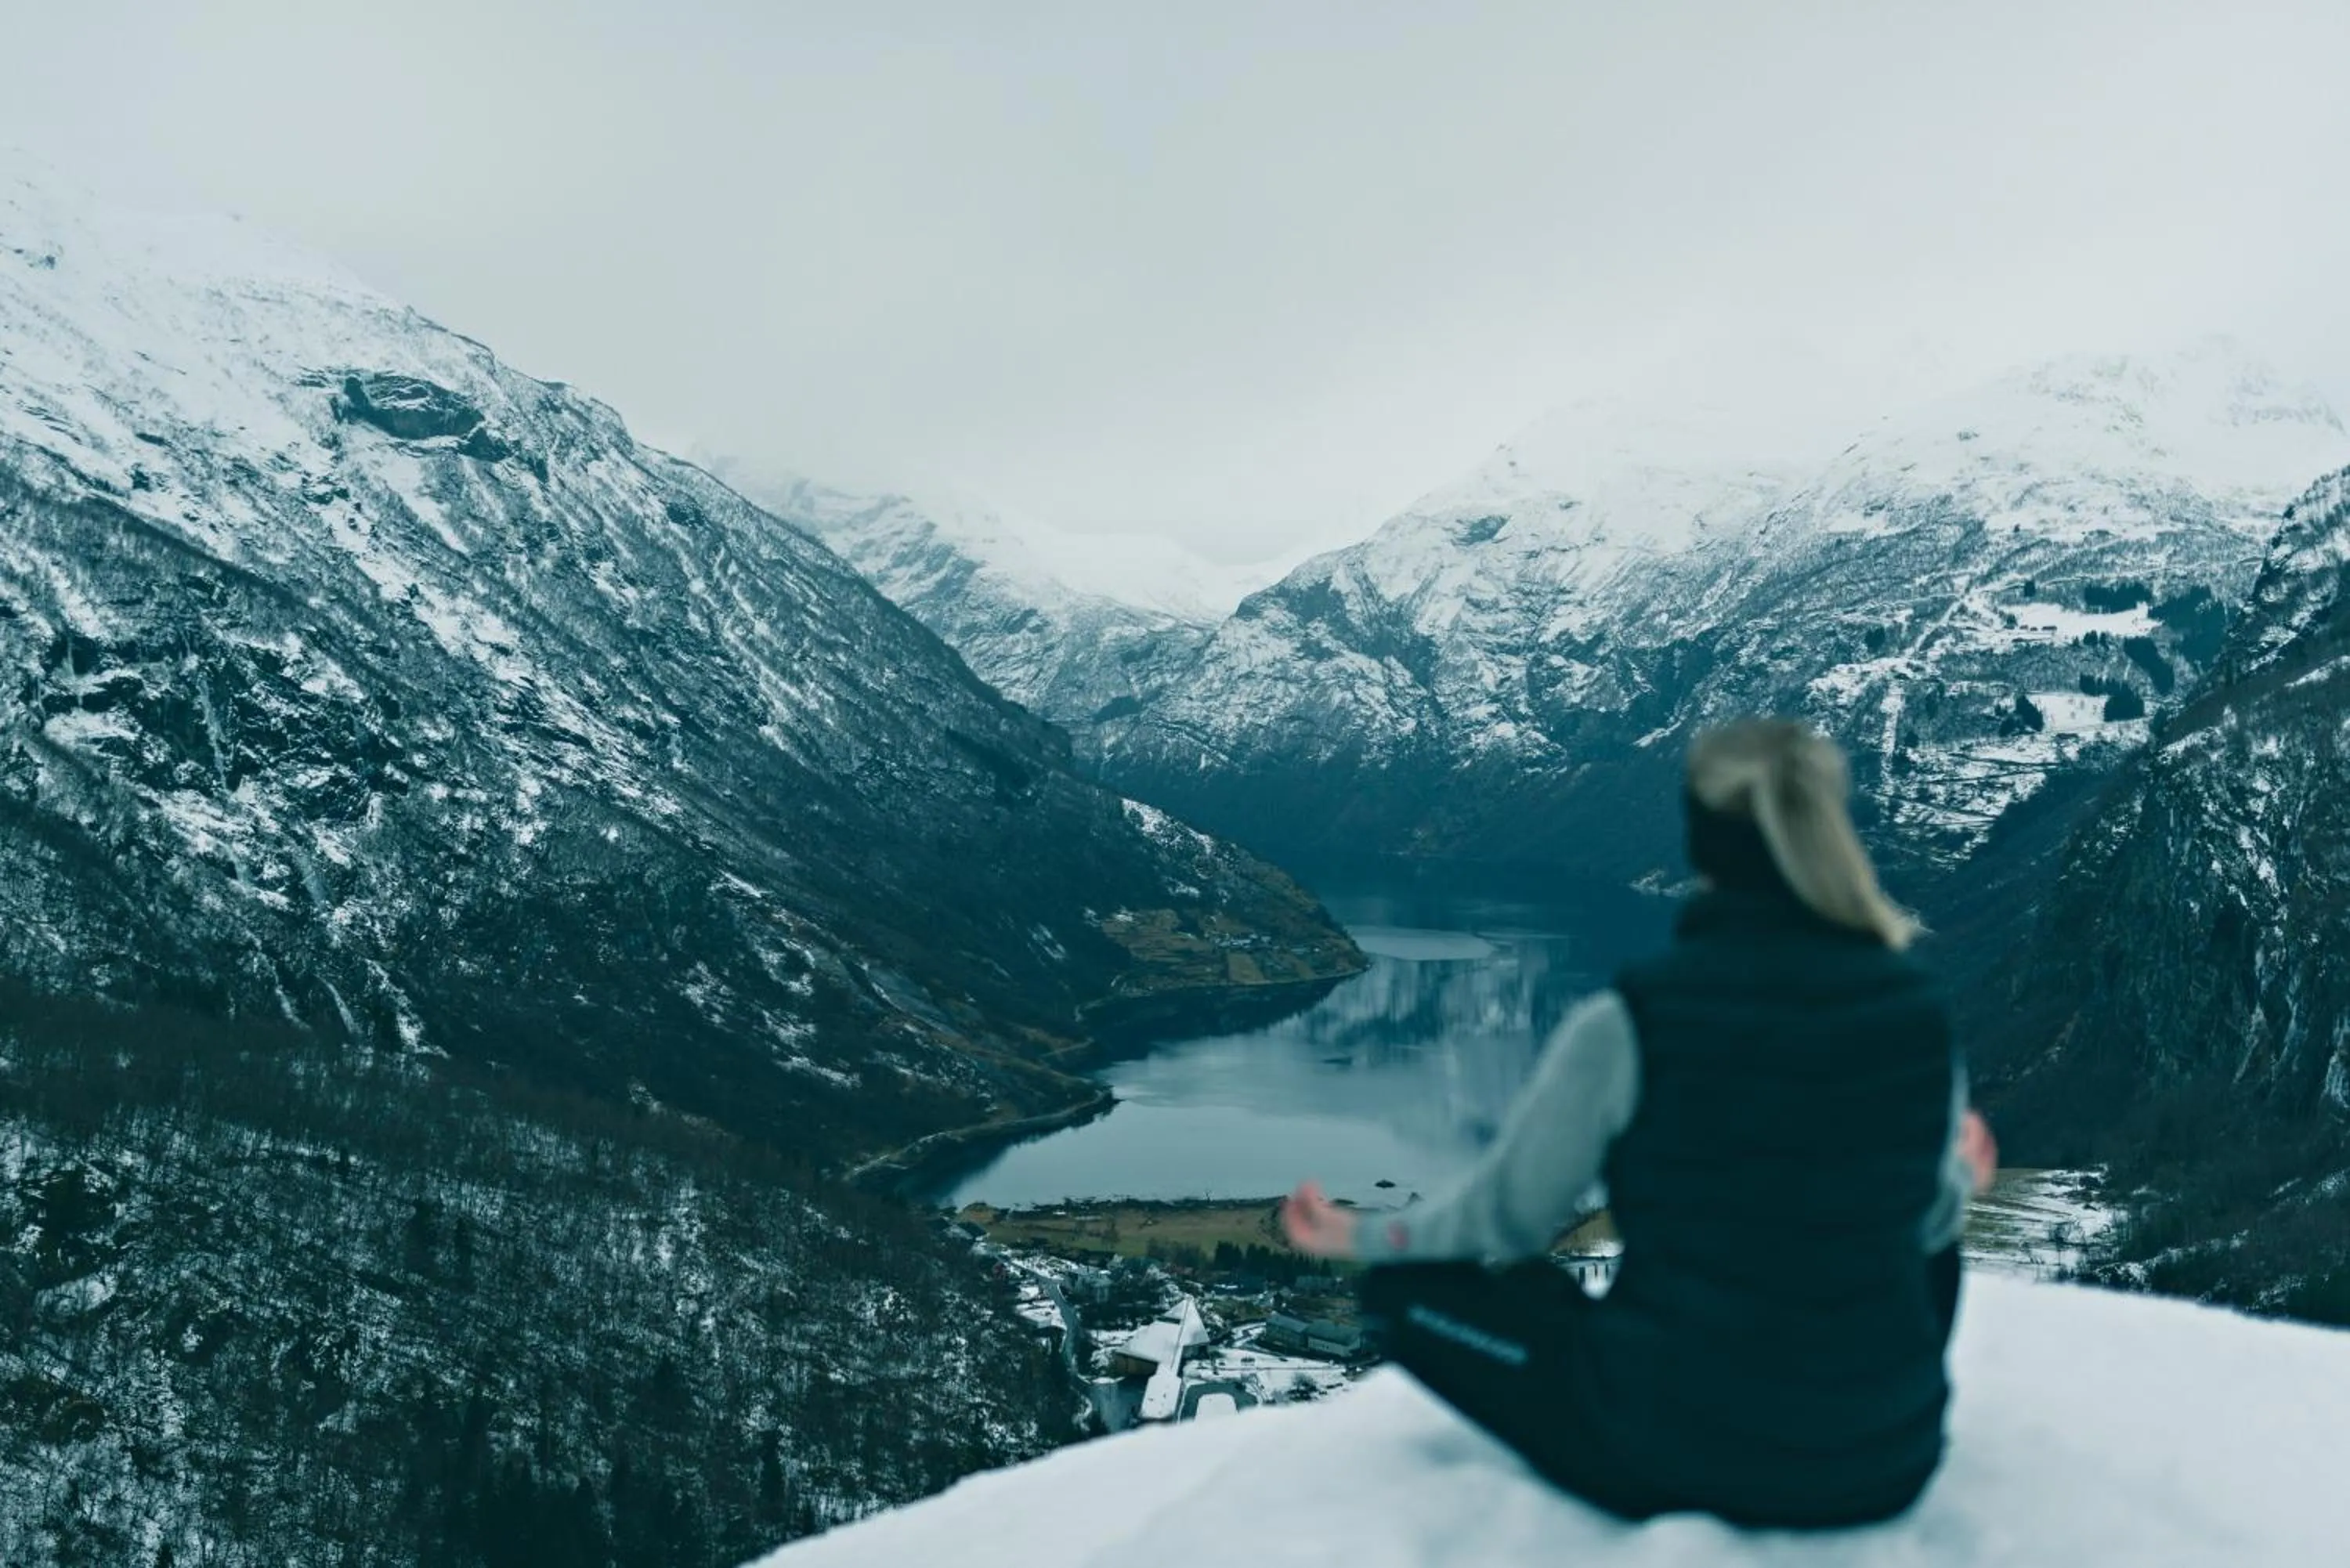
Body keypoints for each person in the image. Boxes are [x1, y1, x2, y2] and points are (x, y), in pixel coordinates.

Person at [1282, 718, 1998, 1529]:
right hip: (1884, 1460)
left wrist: (1360, 1237)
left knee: (1410, 1292)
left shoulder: (1638, 1020)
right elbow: (1928, 1214)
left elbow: (1506, 1217)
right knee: (1922, 1245)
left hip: (1669, 1446)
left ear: (1699, 844)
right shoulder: (1916, 1010)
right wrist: (1961, 1175)